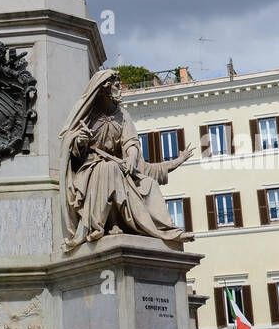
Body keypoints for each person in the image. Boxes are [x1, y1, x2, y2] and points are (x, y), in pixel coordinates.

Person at [60, 69, 194, 250]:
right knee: (109, 169)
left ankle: (167, 231)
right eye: (116, 86)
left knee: (148, 184)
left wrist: (131, 156)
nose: (120, 89)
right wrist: (80, 141)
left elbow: (131, 141)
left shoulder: (122, 115)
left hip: (118, 165)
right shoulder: (87, 114)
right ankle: (105, 224)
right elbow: (71, 148)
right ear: (104, 88)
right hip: (90, 169)